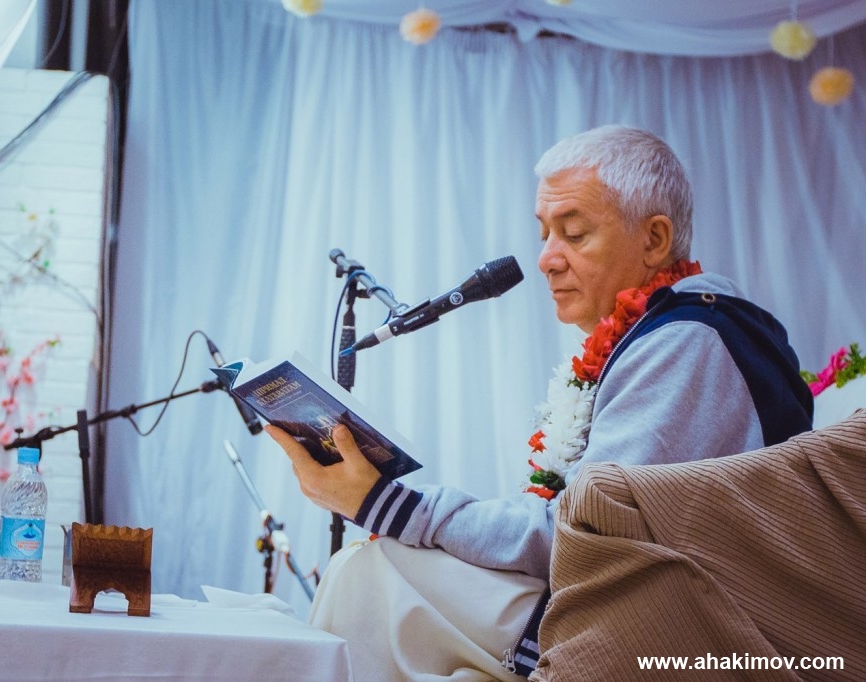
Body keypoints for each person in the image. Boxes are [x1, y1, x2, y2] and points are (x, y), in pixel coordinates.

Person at [266, 124, 814, 681]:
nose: (547, 259)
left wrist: (387, 503)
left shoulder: (686, 342)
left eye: (573, 233)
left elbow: (586, 537)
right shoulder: (671, 334)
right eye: (546, 233)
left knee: (370, 574)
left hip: (688, 638)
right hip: (637, 608)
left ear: (654, 239)